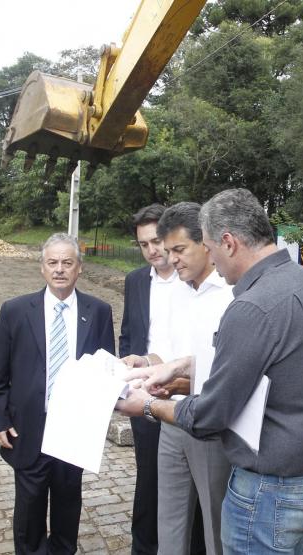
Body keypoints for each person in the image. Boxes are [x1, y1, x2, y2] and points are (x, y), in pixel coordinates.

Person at [117, 188, 303, 554]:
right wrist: (178, 366)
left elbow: (212, 414)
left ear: (228, 242)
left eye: (208, 247)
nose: (212, 260)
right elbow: (262, 369)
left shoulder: (251, 306)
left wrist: (145, 406)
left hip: (269, 488)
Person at [0, 232, 115, 554]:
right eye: (52, 262)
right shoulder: (15, 310)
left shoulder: (98, 311)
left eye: (67, 263)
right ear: (42, 267)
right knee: (29, 505)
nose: (59, 269)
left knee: (68, 501)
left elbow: (105, 370)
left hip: (73, 428)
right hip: (28, 426)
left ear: (79, 268)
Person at [126, 202, 234, 555]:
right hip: (171, 420)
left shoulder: (232, 293)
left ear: (206, 242)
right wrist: (142, 367)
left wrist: (177, 379)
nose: (170, 259)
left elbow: (228, 374)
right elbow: (167, 357)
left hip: (210, 424)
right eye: (165, 250)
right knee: (169, 518)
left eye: (178, 249)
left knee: (215, 522)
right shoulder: (177, 292)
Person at [119, 204, 179, 554]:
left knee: (185, 484)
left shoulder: (196, 279)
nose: (152, 250)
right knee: (149, 479)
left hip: (187, 397)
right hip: (147, 396)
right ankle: (144, 547)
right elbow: (129, 334)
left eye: (157, 241)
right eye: (144, 244)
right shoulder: (136, 281)